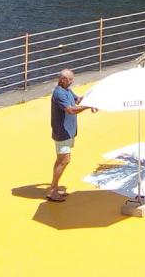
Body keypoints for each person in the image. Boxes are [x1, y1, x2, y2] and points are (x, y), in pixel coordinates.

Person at [47, 68, 94, 202]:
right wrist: (88, 106)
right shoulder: (59, 94)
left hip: (69, 131)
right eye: (70, 80)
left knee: (61, 160)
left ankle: (54, 187)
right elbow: (71, 110)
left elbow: (77, 100)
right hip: (62, 133)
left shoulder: (67, 90)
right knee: (64, 160)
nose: (72, 82)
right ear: (62, 80)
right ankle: (52, 191)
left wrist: (92, 100)